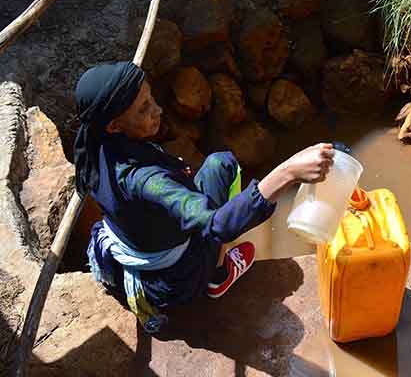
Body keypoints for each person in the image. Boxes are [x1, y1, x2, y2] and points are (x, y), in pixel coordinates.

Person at [77, 61, 334, 333]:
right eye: (144, 109)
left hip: (140, 249)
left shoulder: (96, 143)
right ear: (114, 126)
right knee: (225, 189)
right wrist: (288, 171)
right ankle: (218, 273)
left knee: (220, 164)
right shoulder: (145, 180)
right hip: (176, 279)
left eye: (151, 98)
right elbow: (219, 225)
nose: (158, 110)